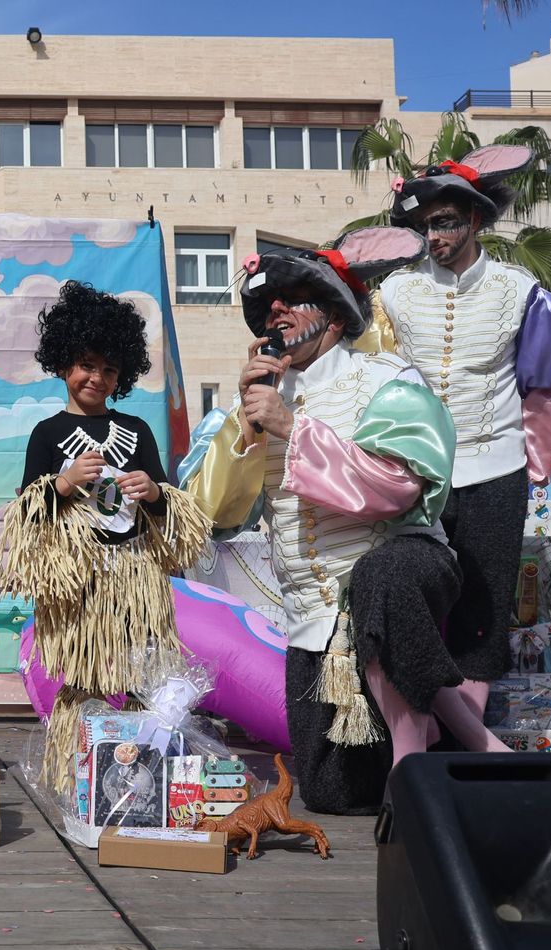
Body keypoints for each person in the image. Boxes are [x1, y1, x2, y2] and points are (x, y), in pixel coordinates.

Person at [185, 227, 492, 816]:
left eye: (291, 299)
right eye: (265, 306)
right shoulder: (256, 405)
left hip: (406, 572)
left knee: (383, 576)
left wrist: (292, 428)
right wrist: (246, 433)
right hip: (316, 625)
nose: (274, 311)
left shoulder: (388, 380)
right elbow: (211, 516)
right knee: (332, 793)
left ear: (332, 314)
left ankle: (415, 764)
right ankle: (441, 729)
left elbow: (398, 488)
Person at [372, 145, 551, 734]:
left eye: (444, 222)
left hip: (496, 471)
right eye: (425, 225)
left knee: (483, 611)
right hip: (416, 476)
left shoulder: (521, 290)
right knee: (413, 599)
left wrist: (536, 467)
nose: (433, 236)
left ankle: (463, 743)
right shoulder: (392, 293)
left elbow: (545, 389)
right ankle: (419, 734)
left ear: (474, 219)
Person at [0, 281, 210, 792]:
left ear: (123, 375)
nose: (96, 377)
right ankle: (77, 776)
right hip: (81, 581)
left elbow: (167, 508)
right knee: (84, 677)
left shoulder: (136, 431)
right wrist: (64, 483)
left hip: (134, 576)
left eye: (109, 369)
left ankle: (139, 778)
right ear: (63, 364)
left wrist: (153, 491)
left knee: (139, 674)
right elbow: (27, 515)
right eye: (86, 365)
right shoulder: (48, 434)